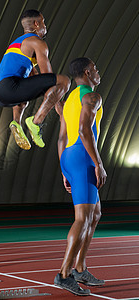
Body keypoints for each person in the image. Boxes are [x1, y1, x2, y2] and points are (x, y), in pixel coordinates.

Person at [54, 57, 107, 296]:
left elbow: (61, 137)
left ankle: (80, 267)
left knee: (95, 214)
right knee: (83, 218)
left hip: (69, 156)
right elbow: (85, 130)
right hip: (83, 157)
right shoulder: (92, 97)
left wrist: (64, 169)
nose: (98, 72)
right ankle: (64, 274)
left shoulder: (69, 101)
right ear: (87, 72)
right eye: (95, 69)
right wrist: (98, 163)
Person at [0, 9, 70, 150]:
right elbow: (48, 76)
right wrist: (58, 106)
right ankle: (36, 122)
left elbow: (34, 77)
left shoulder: (17, 43)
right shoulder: (37, 42)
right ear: (36, 23)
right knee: (64, 81)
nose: (45, 26)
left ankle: (16, 122)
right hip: (10, 87)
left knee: (25, 88)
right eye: (43, 22)